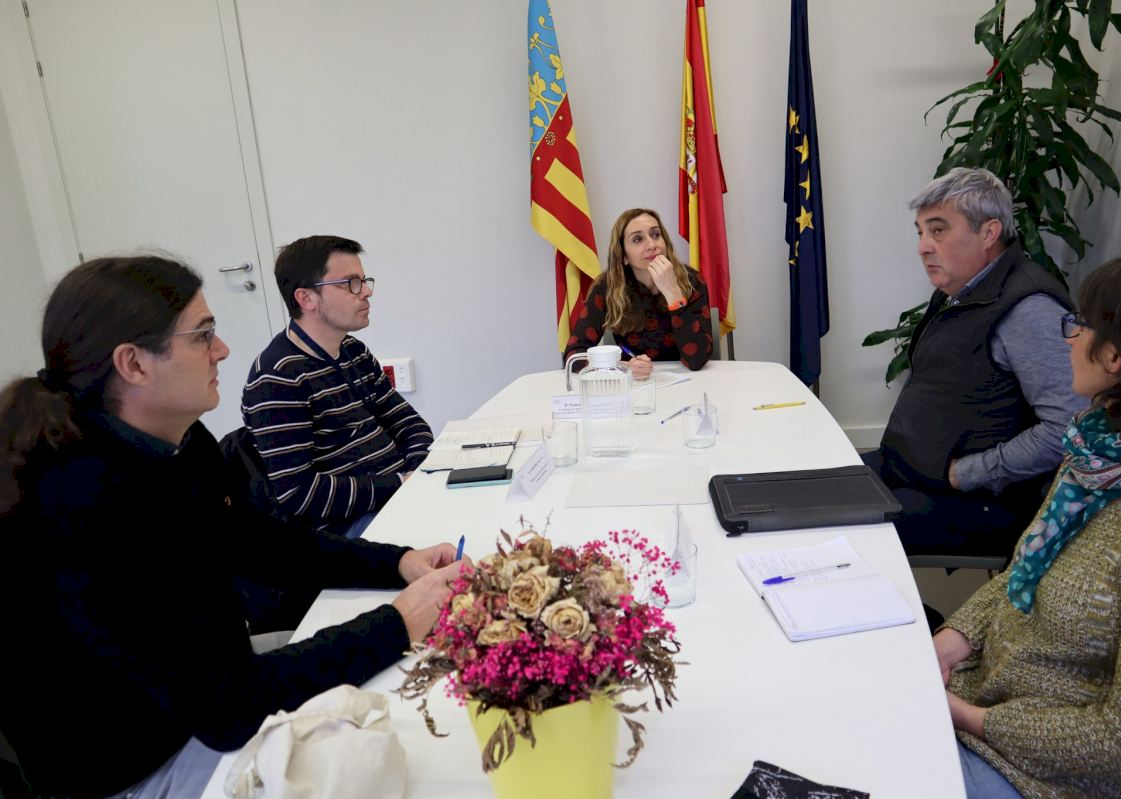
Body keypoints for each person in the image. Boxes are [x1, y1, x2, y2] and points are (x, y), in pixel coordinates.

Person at [0, 256, 464, 799]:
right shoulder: (80, 504)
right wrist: (396, 624)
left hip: (195, 701)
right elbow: (229, 709)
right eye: (202, 336)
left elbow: (253, 540)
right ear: (134, 364)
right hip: (132, 766)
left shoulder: (176, 439)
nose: (221, 350)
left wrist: (396, 561)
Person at [935, 248, 1121, 798]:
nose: (1069, 337)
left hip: (1043, 778)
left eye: (1081, 324)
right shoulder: (1099, 457)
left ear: (1119, 355)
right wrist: (951, 642)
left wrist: (965, 717)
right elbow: (1023, 572)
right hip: (983, 702)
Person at [862, 168, 1088, 557]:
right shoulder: (963, 290)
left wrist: (967, 473)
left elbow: (1069, 427)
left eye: (938, 230)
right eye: (921, 232)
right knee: (814, 486)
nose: (923, 247)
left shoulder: (1028, 310)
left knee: (841, 527)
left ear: (988, 233)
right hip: (912, 471)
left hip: (977, 501)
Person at [242, 235, 433, 538]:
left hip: (397, 497)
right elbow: (300, 494)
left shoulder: (353, 351)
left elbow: (410, 424)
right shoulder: (277, 378)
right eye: (351, 283)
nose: (367, 291)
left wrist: (415, 475)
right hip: (347, 530)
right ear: (306, 299)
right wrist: (400, 484)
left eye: (364, 281)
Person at [564, 208, 713, 378]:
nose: (652, 245)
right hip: (633, 383)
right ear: (623, 254)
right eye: (637, 239)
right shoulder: (607, 287)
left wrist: (673, 293)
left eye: (656, 235)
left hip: (688, 380)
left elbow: (697, 360)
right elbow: (573, 356)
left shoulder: (692, 281)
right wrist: (620, 367)